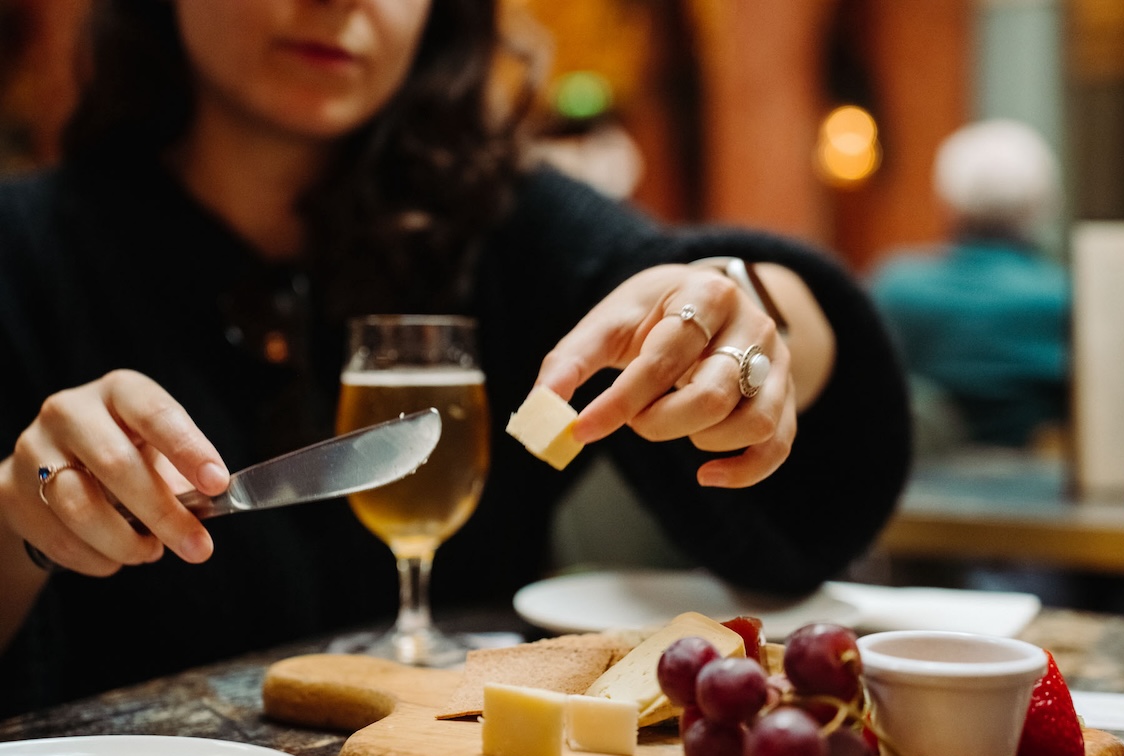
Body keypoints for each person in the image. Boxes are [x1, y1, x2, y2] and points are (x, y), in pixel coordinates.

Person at [0, 0, 911, 717]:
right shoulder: (29, 253)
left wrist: (753, 315)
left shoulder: (499, 226)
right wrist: (17, 524)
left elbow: (670, 282)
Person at [868, 119, 1069, 453]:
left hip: (910, 488)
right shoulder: (1063, 298)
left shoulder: (893, 287)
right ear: (1044, 206)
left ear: (946, 200)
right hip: (1035, 495)